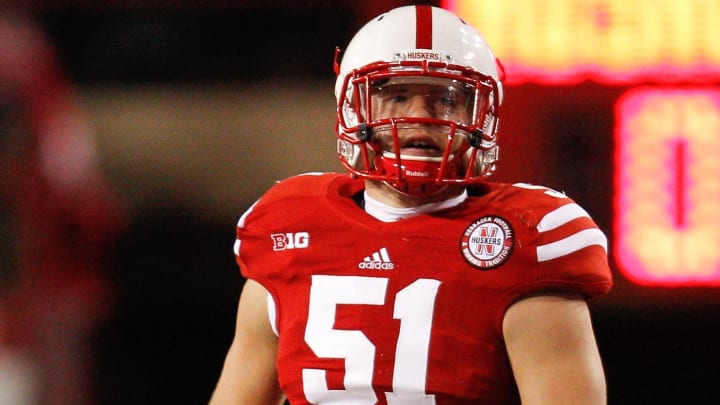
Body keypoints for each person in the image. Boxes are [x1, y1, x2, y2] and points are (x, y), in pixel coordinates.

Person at [209, 5, 612, 405]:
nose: (421, 116)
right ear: (354, 107)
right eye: (397, 95)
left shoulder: (528, 235)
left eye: (448, 99)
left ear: (482, 116)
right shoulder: (289, 227)